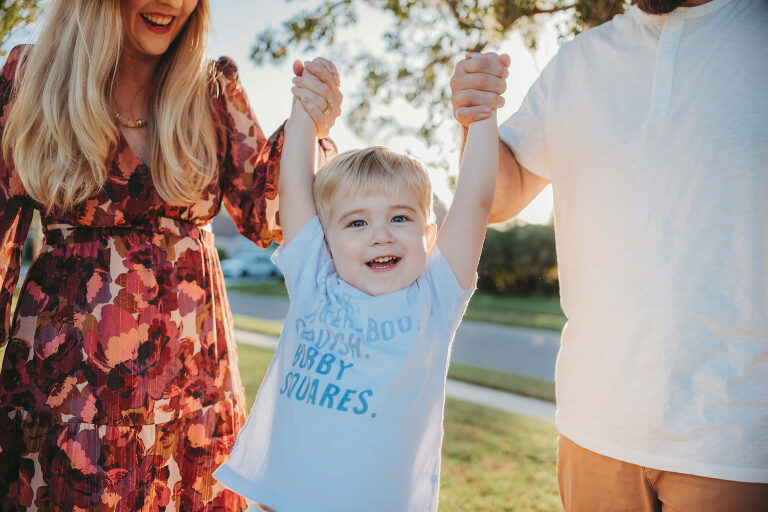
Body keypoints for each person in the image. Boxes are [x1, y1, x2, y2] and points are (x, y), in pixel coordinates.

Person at [0, 0, 341, 510]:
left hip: (196, 395)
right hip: (66, 398)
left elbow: (269, 216)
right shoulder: (32, 76)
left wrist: (308, 127)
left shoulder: (212, 89)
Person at [450, 0, 768, 509]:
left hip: (738, 444)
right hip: (592, 430)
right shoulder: (576, 62)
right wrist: (476, 117)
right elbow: (499, 196)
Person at [213, 55, 503, 512]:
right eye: (357, 223)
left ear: (428, 236)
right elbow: (293, 187)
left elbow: (475, 199)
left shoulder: (434, 300)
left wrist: (480, 116)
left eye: (400, 217)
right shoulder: (314, 280)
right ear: (325, 240)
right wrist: (305, 109)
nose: (380, 234)